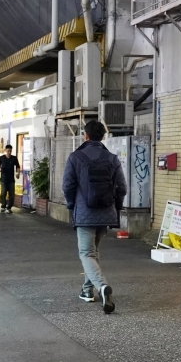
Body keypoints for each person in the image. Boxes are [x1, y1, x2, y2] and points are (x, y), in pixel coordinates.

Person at [62, 120, 127, 315]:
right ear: (103, 136)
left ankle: (101, 287)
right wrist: (116, 207)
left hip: (84, 213)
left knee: (86, 253)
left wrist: (72, 206)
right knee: (94, 252)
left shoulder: (75, 157)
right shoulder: (112, 158)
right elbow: (122, 187)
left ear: (86, 135)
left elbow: (67, 186)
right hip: (105, 212)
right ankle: (87, 290)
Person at [0, 145, 21, 214]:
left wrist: (18, 173)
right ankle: (3, 206)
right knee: (3, 193)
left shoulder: (14, 158)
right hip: (3, 179)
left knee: (12, 194)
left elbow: (18, 166)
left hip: (11, 179)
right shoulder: (2, 158)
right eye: (8, 151)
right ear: (5, 150)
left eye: (10, 151)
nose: (9, 152)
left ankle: (9, 207)